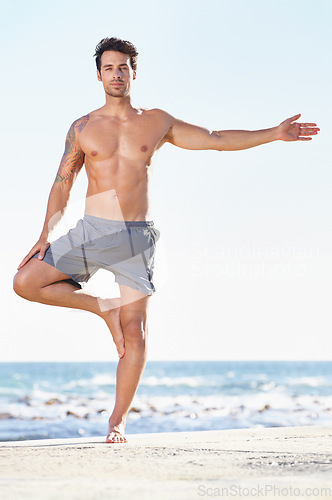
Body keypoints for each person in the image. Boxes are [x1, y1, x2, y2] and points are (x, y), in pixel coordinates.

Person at [13, 37, 320, 444]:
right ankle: (102, 308)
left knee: (135, 332)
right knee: (25, 282)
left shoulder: (156, 121)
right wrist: (44, 234)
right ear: (99, 74)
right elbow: (63, 182)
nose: (117, 74)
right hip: (93, 228)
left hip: (136, 237)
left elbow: (215, 138)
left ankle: (117, 421)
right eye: (109, 68)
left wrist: (275, 134)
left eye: (123, 67)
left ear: (134, 72)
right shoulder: (83, 127)